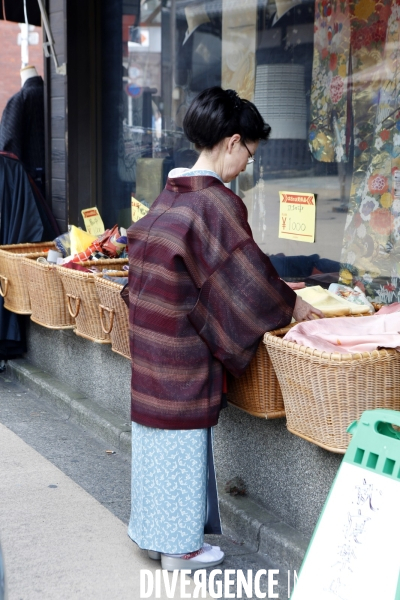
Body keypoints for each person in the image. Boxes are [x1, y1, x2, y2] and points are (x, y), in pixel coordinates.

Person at [126, 86, 323, 572]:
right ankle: (182, 549)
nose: (247, 167)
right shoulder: (216, 203)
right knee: (181, 438)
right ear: (233, 142)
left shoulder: (172, 190)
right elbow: (245, 275)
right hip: (180, 348)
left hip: (152, 333)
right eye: (250, 155)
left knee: (155, 439)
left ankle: (155, 536)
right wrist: (293, 306)